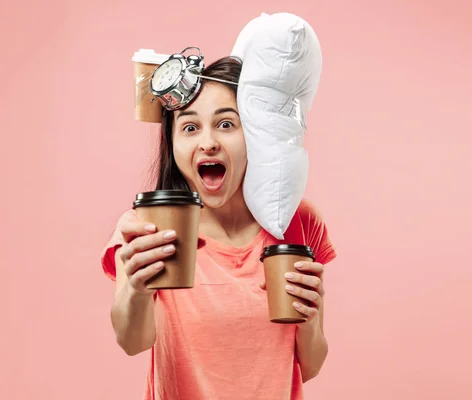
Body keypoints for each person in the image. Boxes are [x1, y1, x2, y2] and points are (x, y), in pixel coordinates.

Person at [100, 56, 336, 400]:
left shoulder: (298, 222)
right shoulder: (145, 227)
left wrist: (310, 318)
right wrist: (136, 289)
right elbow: (132, 342)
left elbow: (310, 365)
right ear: (173, 143)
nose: (207, 142)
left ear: (253, 133)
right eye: (190, 127)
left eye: (226, 124)